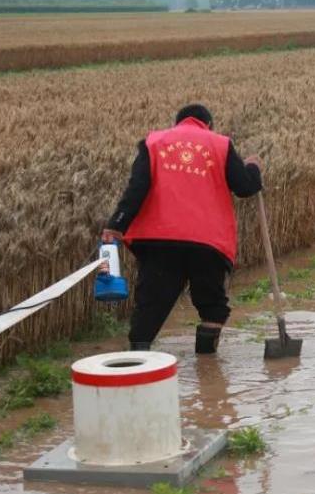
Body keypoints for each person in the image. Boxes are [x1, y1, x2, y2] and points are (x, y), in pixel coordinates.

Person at [101, 104, 263, 354]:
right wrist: (253, 168)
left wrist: (116, 225)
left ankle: (138, 363)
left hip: (159, 240)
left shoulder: (153, 142)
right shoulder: (220, 144)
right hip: (207, 242)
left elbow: (136, 189)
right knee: (212, 305)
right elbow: (245, 188)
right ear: (208, 124)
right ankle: (208, 369)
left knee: (150, 306)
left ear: (177, 122)